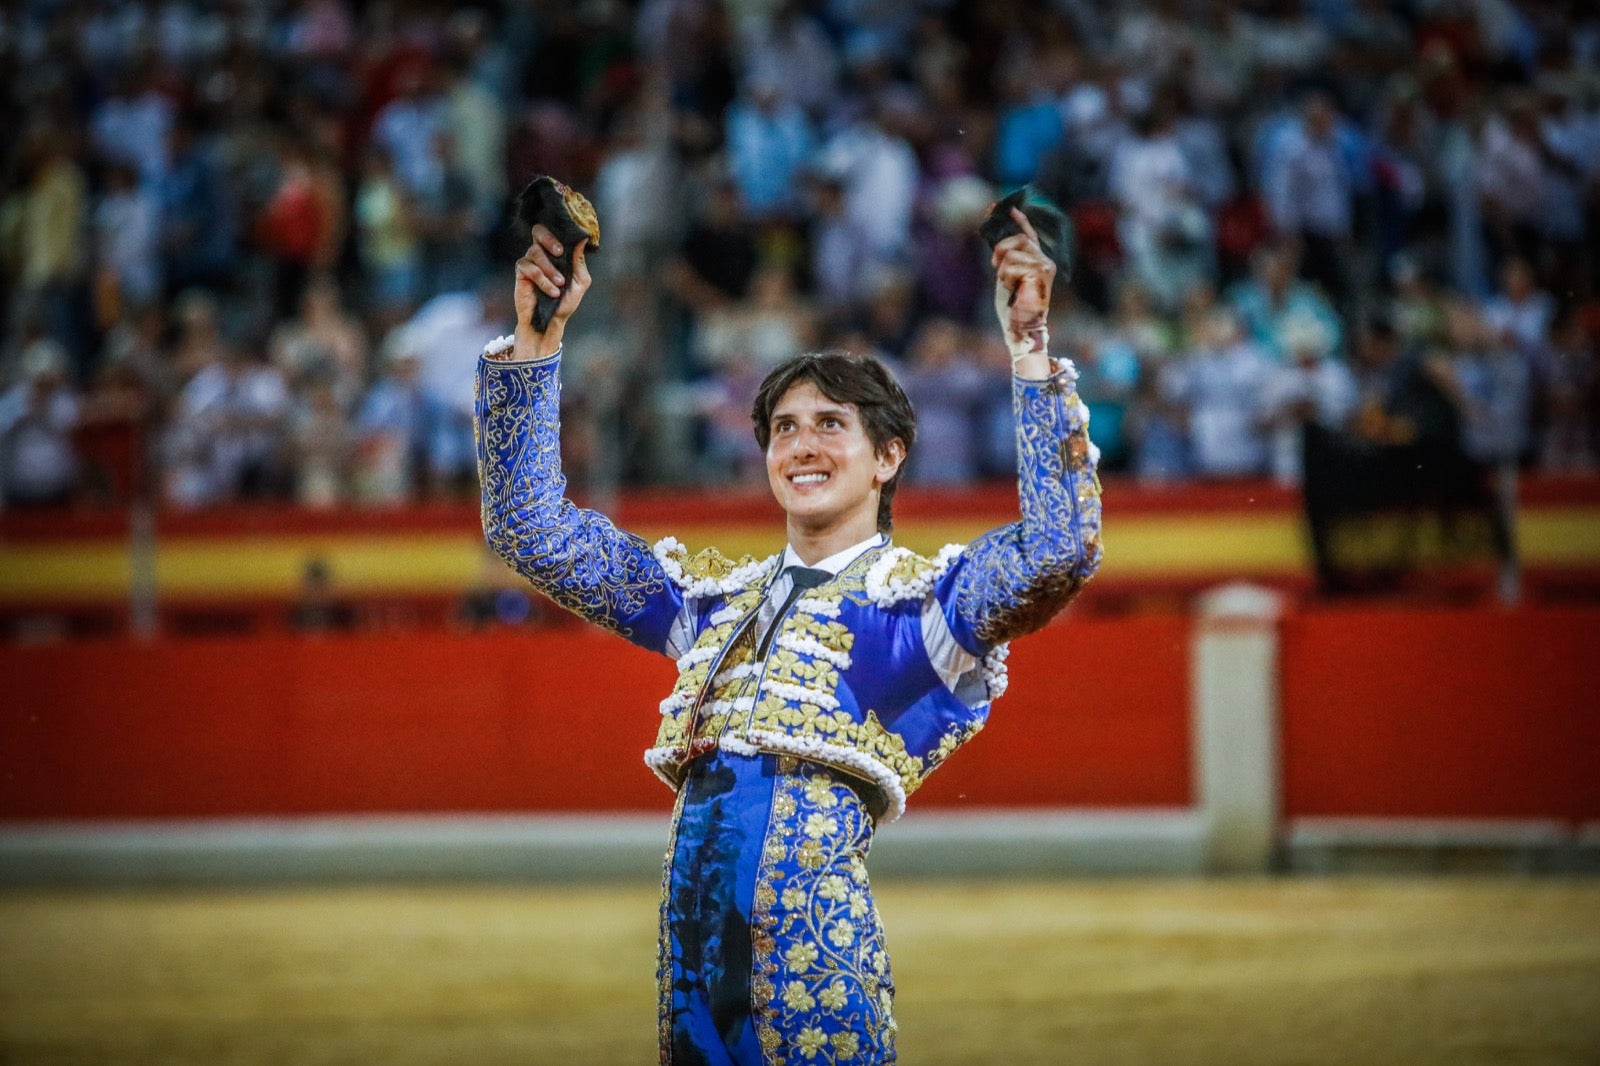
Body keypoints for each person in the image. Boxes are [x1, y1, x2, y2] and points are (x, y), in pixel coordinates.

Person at [475, 206, 1102, 1064]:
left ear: (888, 458)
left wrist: (1029, 349)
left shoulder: (922, 613)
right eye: (783, 428)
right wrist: (536, 344)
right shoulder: (708, 610)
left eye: (831, 424)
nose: (801, 445)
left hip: (815, 973)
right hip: (692, 976)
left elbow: (1059, 550)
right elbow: (529, 530)